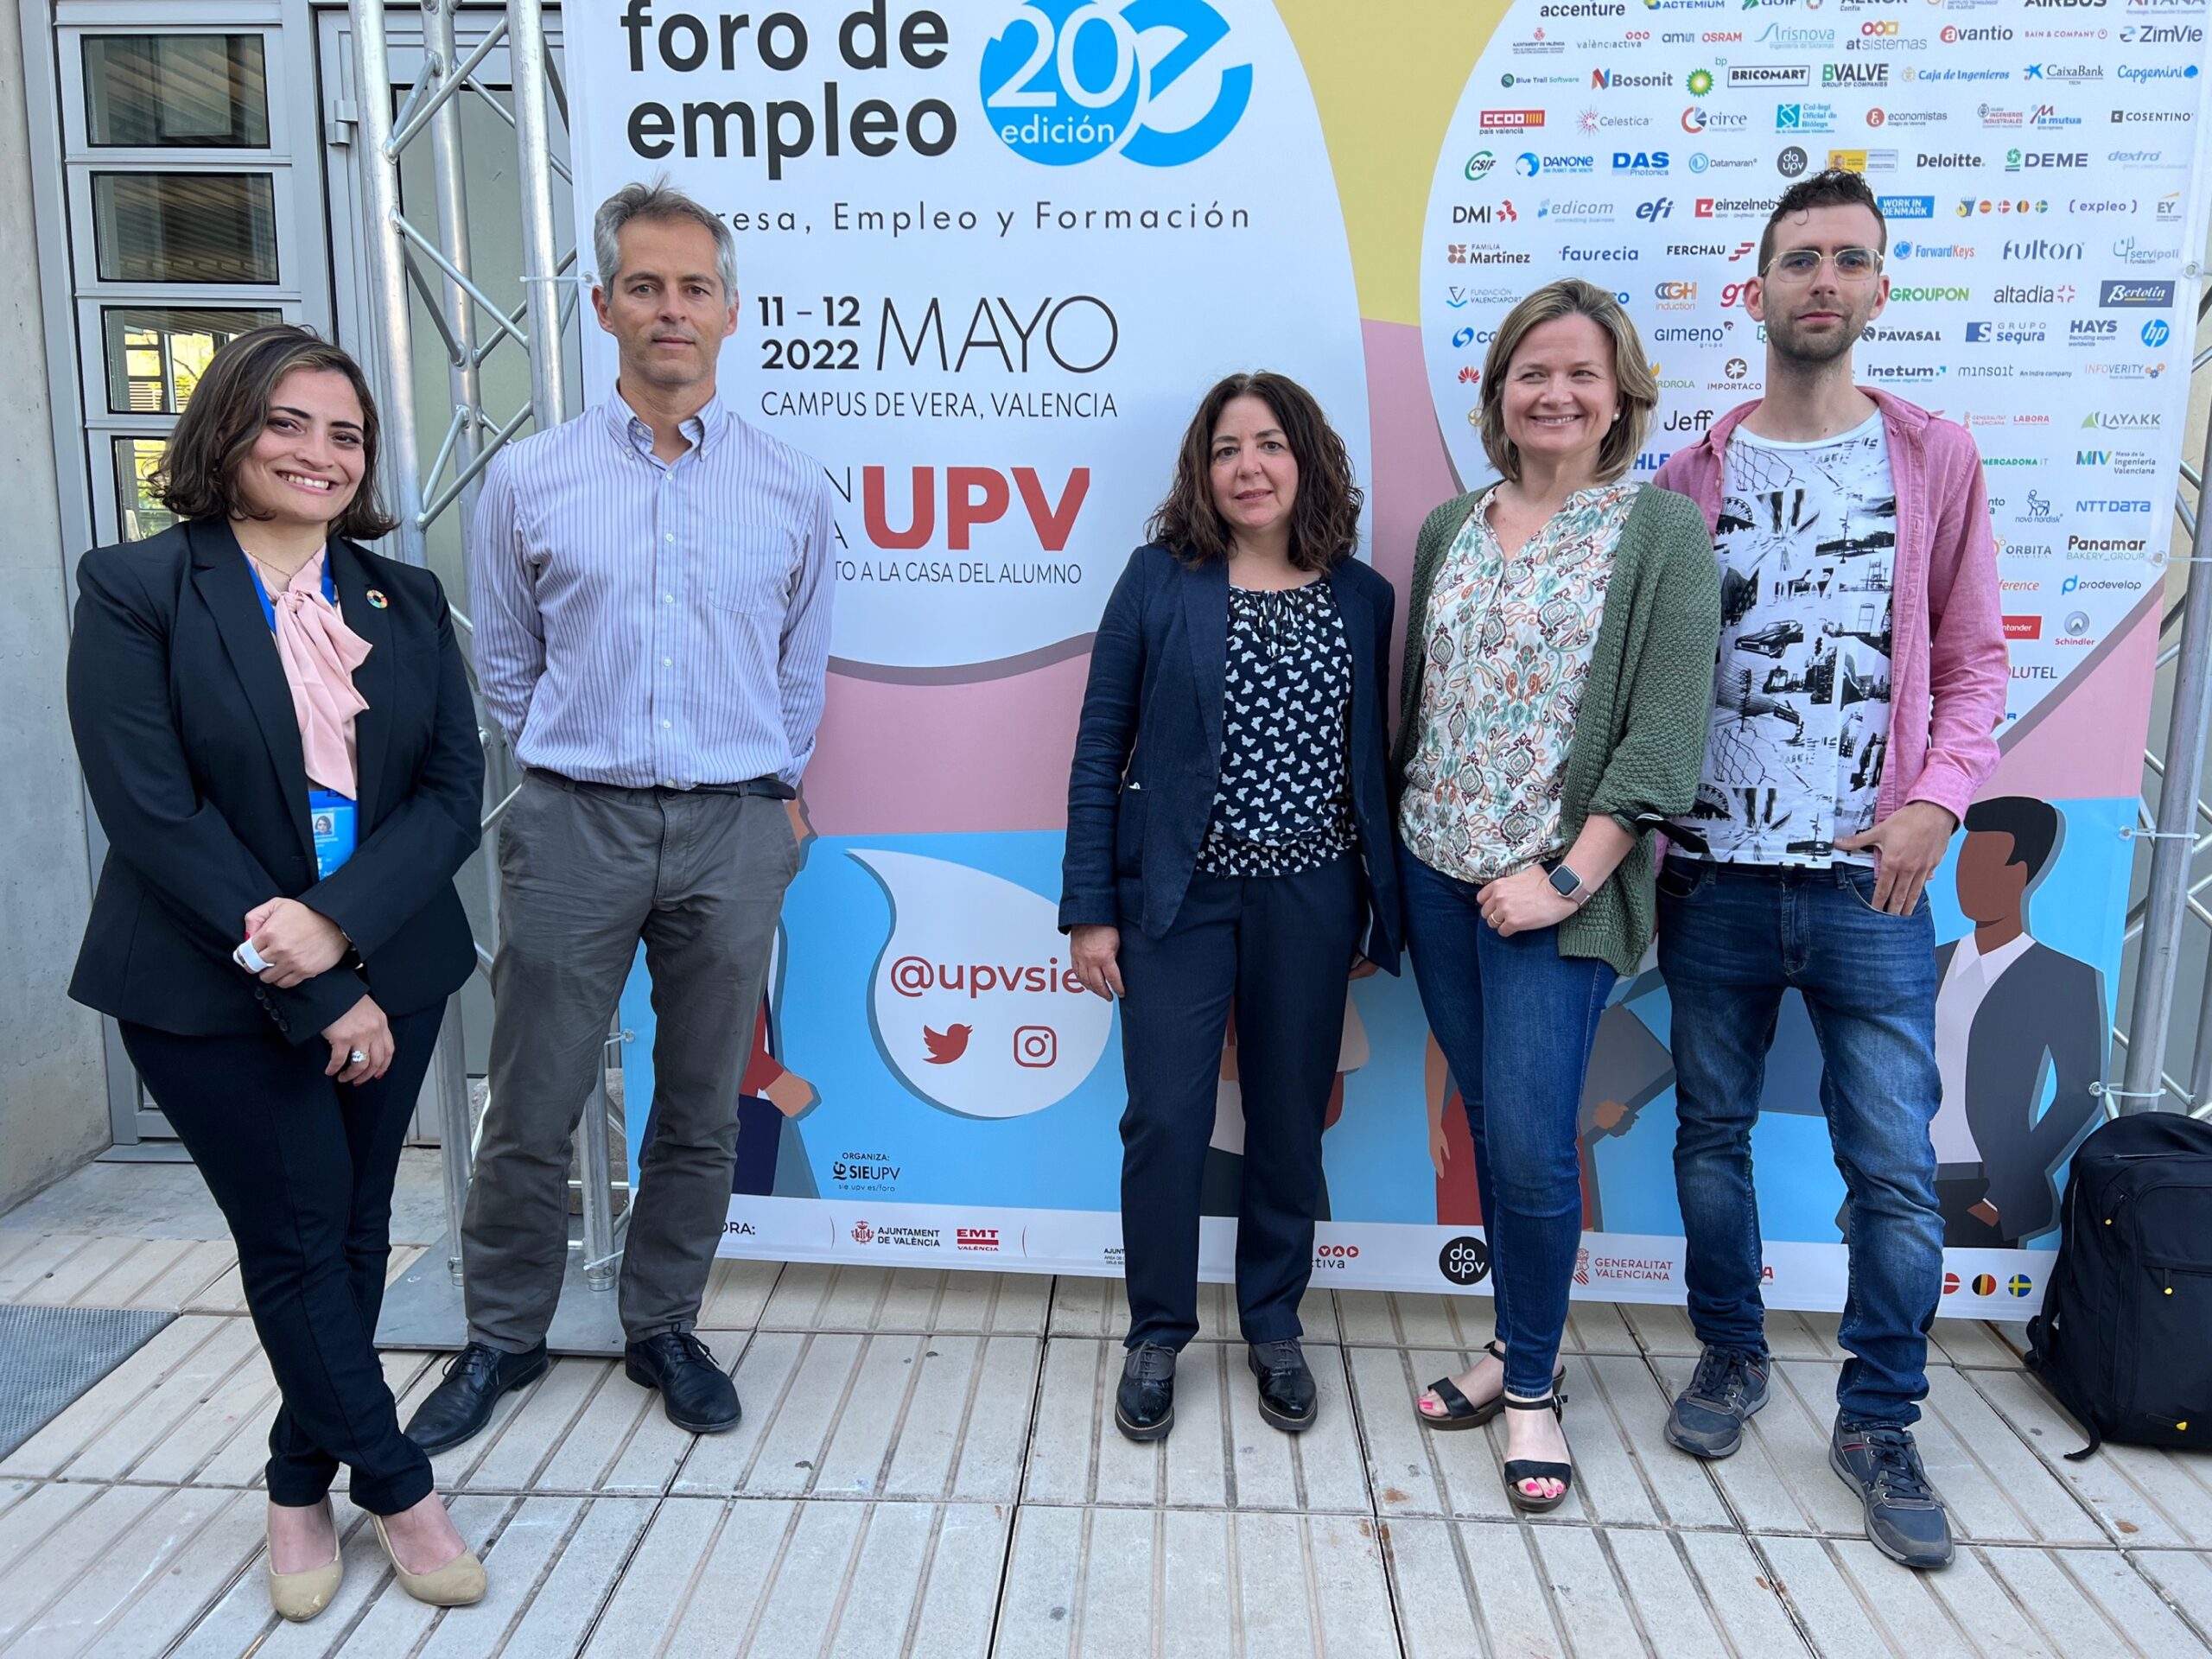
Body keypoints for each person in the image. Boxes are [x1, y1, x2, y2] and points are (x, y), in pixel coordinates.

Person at [405, 180, 835, 1452]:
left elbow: (801, 672)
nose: (670, 309)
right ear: (603, 307)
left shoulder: (793, 489)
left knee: (702, 1103)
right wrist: (571, 764)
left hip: (735, 828)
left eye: (693, 287)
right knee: (532, 1096)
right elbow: (508, 668)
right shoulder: (529, 481)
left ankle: (664, 1325)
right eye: (644, 286)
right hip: (576, 822)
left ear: (730, 311)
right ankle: (502, 1337)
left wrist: (758, 783)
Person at [66, 326, 487, 1618]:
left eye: (344, 433)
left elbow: (450, 791)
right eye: (288, 424)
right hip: (204, 990)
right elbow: (153, 813)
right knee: (297, 1238)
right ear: (228, 432)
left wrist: (344, 929)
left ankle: (297, 1482)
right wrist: (306, 975)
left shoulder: (402, 598)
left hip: (387, 970)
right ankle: (402, 1488)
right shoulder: (138, 587)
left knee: (352, 1234)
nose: (318, 452)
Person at [1652, 169, 2008, 1571]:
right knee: (1708, 1141)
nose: (1822, 279)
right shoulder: (1688, 477)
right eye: (1799, 258)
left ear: (1878, 288)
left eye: (1847, 260)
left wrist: (1935, 801)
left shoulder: (1933, 458)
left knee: (1895, 1179)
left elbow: (1977, 662)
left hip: (1876, 889)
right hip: (1712, 882)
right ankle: (1731, 1357)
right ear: (1756, 290)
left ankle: (1879, 1418)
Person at [1396, 279, 1720, 1514]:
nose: (1556, 393)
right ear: (1498, 394)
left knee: (1533, 1148)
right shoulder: (1449, 529)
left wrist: (1569, 878)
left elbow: (1660, 739)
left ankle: (1529, 1386)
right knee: (1492, 1121)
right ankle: (1508, 1341)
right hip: (1437, 874)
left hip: (1557, 894)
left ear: (1620, 395)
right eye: (1534, 371)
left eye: (1582, 373)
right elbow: (1422, 705)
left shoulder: (1659, 535)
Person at [1059, 372, 1402, 1443]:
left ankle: (1273, 1324)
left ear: (1306, 457)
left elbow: (1368, 759)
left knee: (1289, 1121)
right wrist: (1089, 908)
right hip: (1177, 902)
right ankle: (1157, 1332)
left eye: (1267, 444)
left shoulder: (1362, 594)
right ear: (1201, 473)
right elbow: (1098, 746)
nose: (1246, 467)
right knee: (1165, 1117)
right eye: (1223, 450)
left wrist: (1366, 907)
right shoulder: (1160, 580)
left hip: (1312, 899)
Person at [1933, 797, 2107, 1249]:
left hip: (1980, 1191)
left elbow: (2078, 1094)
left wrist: (2002, 1195)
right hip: (1895, 1180)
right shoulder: (1925, 963)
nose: (1967, 882)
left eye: (1985, 866)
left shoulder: (2064, 978)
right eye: (1964, 866)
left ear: (2023, 873)